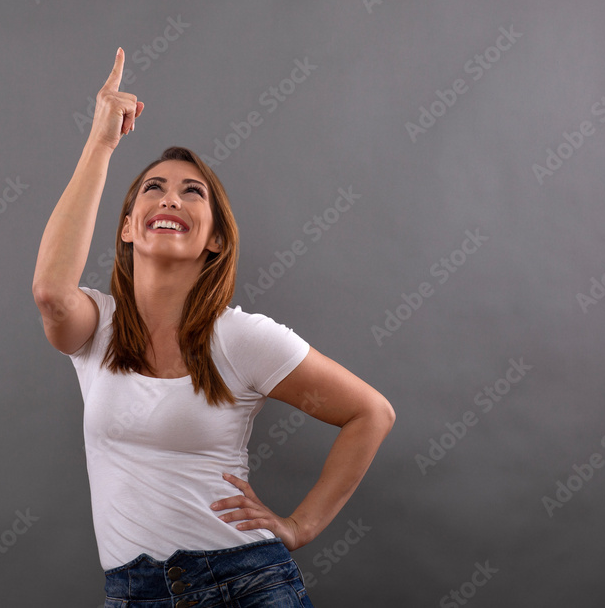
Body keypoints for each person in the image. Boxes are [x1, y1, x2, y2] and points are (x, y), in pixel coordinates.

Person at [33, 47, 396, 607]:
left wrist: (300, 526)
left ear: (216, 240)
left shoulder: (243, 338)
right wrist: (101, 142)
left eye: (192, 191)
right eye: (153, 188)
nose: (170, 198)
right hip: (134, 596)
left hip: (245, 585)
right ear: (128, 228)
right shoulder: (96, 328)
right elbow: (51, 294)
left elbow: (371, 413)